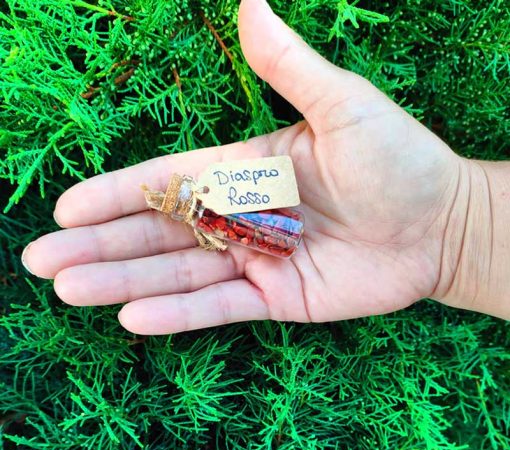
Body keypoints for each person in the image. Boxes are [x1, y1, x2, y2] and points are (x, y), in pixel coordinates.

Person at [21, 0, 509, 334]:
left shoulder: (213, 204)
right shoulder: (209, 214)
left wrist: (455, 220)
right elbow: (216, 232)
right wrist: (458, 220)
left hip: (281, 228)